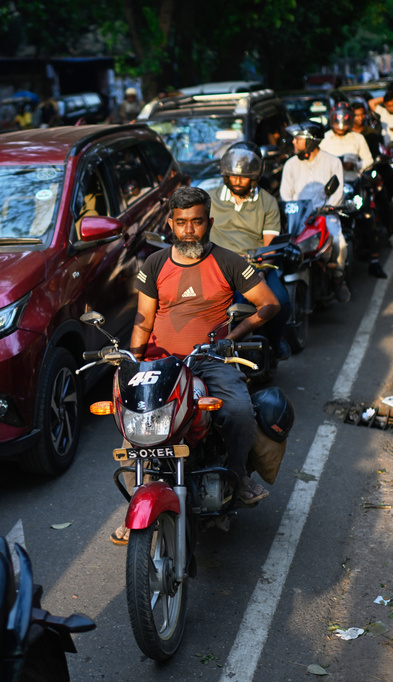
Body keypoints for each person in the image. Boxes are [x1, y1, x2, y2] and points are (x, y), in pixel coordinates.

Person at [109, 186, 277, 546]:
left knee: (238, 410)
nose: (189, 230)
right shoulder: (154, 264)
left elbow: (268, 304)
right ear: (170, 224)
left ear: (209, 223)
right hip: (162, 361)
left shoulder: (229, 261)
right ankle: (138, 500)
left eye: (197, 222)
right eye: (182, 222)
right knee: (134, 425)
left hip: (210, 360)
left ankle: (237, 476)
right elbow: (143, 319)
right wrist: (132, 363)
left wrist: (234, 335)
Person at [208, 141, 292, 360]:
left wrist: (261, 273)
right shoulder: (208, 199)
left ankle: (275, 340)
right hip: (215, 266)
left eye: (244, 176)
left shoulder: (268, 202)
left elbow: (269, 244)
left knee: (280, 301)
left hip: (254, 265)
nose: (237, 181)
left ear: (256, 174)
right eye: (233, 175)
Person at [280, 122, 353, 300]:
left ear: (311, 142)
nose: (294, 143)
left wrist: (328, 207)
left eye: (298, 139)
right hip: (298, 216)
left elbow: (337, 192)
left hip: (325, 214)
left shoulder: (333, 162)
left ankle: (337, 277)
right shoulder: (290, 164)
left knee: (339, 243)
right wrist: (291, 207)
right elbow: (285, 193)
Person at [320, 105, 387, 279]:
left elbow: (369, 161)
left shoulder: (357, 139)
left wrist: (354, 165)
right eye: (337, 122)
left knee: (367, 218)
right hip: (331, 188)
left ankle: (374, 261)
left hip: (354, 184)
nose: (340, 126)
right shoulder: (325, 139)